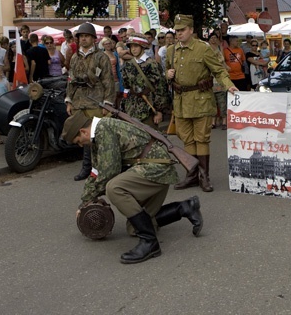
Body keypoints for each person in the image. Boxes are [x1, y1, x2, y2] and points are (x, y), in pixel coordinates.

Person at [61, 110, 204, 264]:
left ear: (83, 131)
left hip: (155, 169)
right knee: (133, 228)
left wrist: (89, 200)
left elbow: (109, 171)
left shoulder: (103, 129)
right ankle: (185, 207)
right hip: (151, 169)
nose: (81, 145)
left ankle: (150, 243)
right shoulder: (98, 137)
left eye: (78, 141)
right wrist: (85, 202)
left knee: (113, 188)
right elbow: (96, 172)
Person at [165, 14, 238, 192]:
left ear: (191, 30)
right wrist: (167, 75)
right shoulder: (171, 50)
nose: (179, 34)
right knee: (187, 139)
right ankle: (191, 175)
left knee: (202, 138)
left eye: (182, 30)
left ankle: (204, 176)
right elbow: (168, 70)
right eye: (177, 31)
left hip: (201, 99)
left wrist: (229, 85)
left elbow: (219, 71)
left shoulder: (203, 49)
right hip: (181, 101)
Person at [65, 22, 115, 181]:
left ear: (93, 38)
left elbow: (108, 81)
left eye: (86, 36)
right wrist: (69, 101)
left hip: (96, 101)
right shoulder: (74, 57)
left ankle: (100, 169)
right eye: (81, 36)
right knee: (84, 137)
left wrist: (108, 103)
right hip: (79, 102)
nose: (83, 39)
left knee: (97, 137)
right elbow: (70, 80)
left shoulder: (101, 57)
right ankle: (86, 168)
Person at [121, 33, 170, 127]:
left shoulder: (152, 64)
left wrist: (159, 111)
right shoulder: (128, 65)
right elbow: (126, 85)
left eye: (136, 46)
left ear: (142, 46)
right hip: (131, 107)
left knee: (149, 138)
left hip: (149, 107)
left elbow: (161, 89)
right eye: (131, 46)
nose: (133, 49)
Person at [208, 32, 230, 130]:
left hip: (219, 77)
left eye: (215, 38)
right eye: (211, 38)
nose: (213, 40)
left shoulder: (220, 48)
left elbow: (223, 61)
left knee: (222, 101)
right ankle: (213, 121)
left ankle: (224, 120)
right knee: (212, 101)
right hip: (210, 77)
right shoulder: (206, 49)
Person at [100, 37, 123, 107]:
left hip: (116, 78)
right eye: (106, 44)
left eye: (109, 43)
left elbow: (118, 67)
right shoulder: (101, 55)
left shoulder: (115, 54)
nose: (108, 45)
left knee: (118, 96)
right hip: (107, 80)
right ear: (103, 45)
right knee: (110, 98)